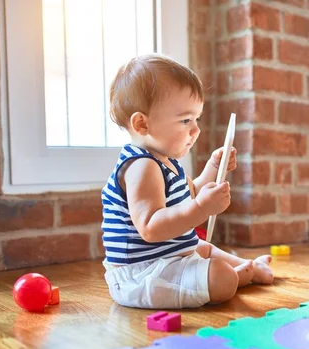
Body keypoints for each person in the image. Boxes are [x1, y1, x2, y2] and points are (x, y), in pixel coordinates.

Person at [100, 54, 274, 309]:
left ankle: (246, 268)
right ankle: (234, 277)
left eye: (196, 119)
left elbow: (191, 193)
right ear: (142, 123)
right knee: (218, 274)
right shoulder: (142, 166)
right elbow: (151, 227)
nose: (196, 130)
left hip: (169, 258)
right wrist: (202, 209)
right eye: (185, 120)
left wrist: (215, 168)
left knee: (202, 247)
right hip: (143, 274)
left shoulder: (166, 162)